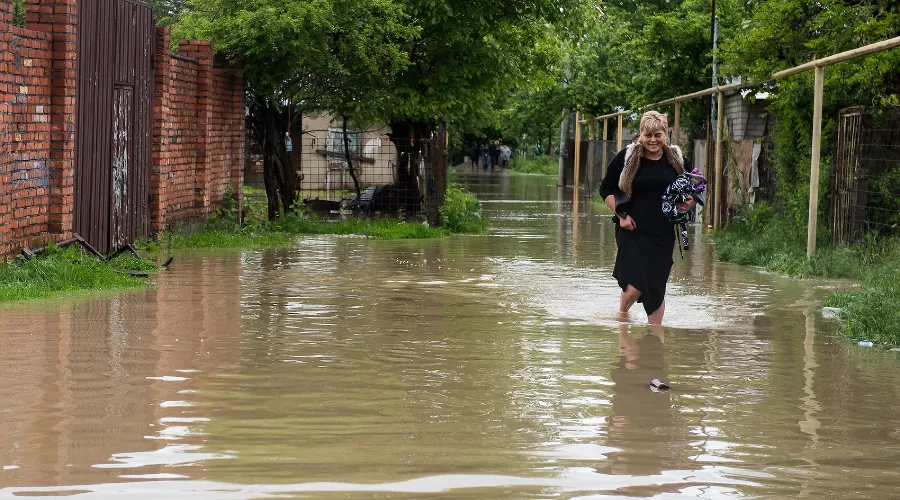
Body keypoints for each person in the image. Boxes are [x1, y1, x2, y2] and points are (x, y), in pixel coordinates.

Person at [598, 111, 695, 325]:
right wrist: (621, 215)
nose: (653, 140)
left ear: (665, 135)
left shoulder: (677, 159)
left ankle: (655, 338)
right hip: (632, 230)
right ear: (641, 134)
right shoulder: (627, 157)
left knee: (657, 286)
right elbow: (605, 189)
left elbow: (693, 191)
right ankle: (623, 314)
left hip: (664, 232)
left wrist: (689, 203)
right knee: (635, 286)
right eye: (648, 135)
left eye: (657, 135)